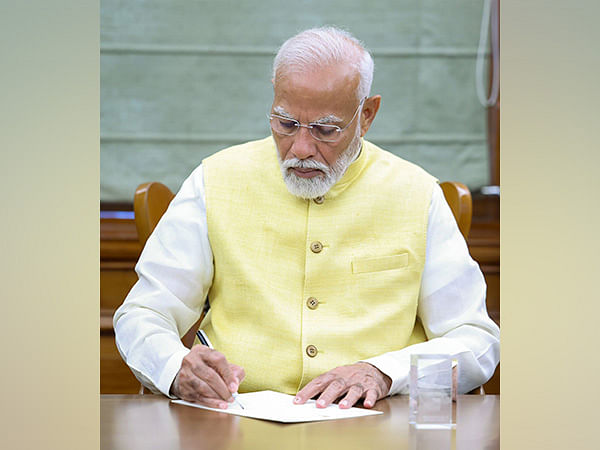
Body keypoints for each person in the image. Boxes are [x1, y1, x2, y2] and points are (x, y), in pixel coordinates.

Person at [113, 26, 499, 410]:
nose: (300, 148)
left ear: (366, 115)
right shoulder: (214, 180)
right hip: (234, 423)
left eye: (325, 130)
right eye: (285, 123)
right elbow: (144, 313)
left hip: (374, 426)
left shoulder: (417, 193)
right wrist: (176, 367)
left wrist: (383, 372)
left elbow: (476, 339)